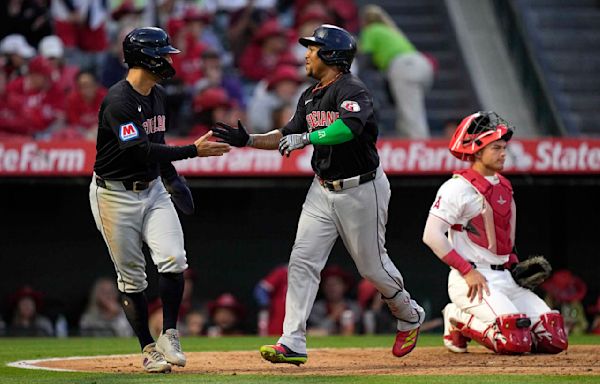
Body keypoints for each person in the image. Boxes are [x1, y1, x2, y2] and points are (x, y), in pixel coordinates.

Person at [213, 24, 424, 366]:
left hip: (361, 188)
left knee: (372, 268)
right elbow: (287, 134)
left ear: (332, 55)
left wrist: (309, 138)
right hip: (322, 188)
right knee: (302, 261)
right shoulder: (309, 95)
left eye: (313, 48)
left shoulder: (353, 89)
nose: (307, 53)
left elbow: (347, 128)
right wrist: (249, 140)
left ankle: (408, 312)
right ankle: (292, 340)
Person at [88, 27, 230, 374]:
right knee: (133, 279)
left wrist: (171, 178)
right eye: (163, 54)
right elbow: (139, 150)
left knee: (174, 259)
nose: (168, 60)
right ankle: (148, 349)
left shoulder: (157, 94)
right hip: (114, 195)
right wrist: (193, 152)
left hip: (151, 188)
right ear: (144, 58)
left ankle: (168, 333)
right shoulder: (118, 100)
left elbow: (157, 141)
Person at [422, 111, 569, 354]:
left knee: (553, 337)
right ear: (477, 151)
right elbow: (431, 235)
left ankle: (488, 319)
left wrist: (513, 264)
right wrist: (467, 272)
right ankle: (457, 318)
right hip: (472, 280)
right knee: (513, 340)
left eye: (504, 148)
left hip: (506, 278)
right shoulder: (457, 188)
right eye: (496, 148)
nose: (503, 154)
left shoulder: (503, 185)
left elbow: (500, 238)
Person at [359, 4, 434, 138]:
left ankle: (420, 149)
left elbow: (366, 59)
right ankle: (410, 145)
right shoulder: (391, 30)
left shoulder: (371, 30)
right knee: (408, 111)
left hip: (404, 66)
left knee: (411, 115)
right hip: (422, 64)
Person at [308, 265, 361, 335]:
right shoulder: (316, 308)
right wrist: (333, 317)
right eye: (328, 284)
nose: (332, 288)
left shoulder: (354, 307)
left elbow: (359, 331)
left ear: (345, 286)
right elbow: (314, 332)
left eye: (336, 284)